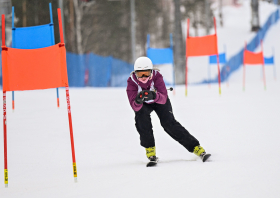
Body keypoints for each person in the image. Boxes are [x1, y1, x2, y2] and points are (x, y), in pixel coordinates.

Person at [126, 56, 211, 165]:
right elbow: (134, 106)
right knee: (141, 119)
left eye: (146, 73)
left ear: (151, 72)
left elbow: (163, 99)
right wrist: (138, 101)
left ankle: (196, 147)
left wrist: (154, 95)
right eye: (140, 74)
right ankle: (150, 149)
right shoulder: (131, 82)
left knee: (169, 124)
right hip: (144, 104)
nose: (143, 77)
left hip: (159, 100)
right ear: (135, 73)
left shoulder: (157, 77)